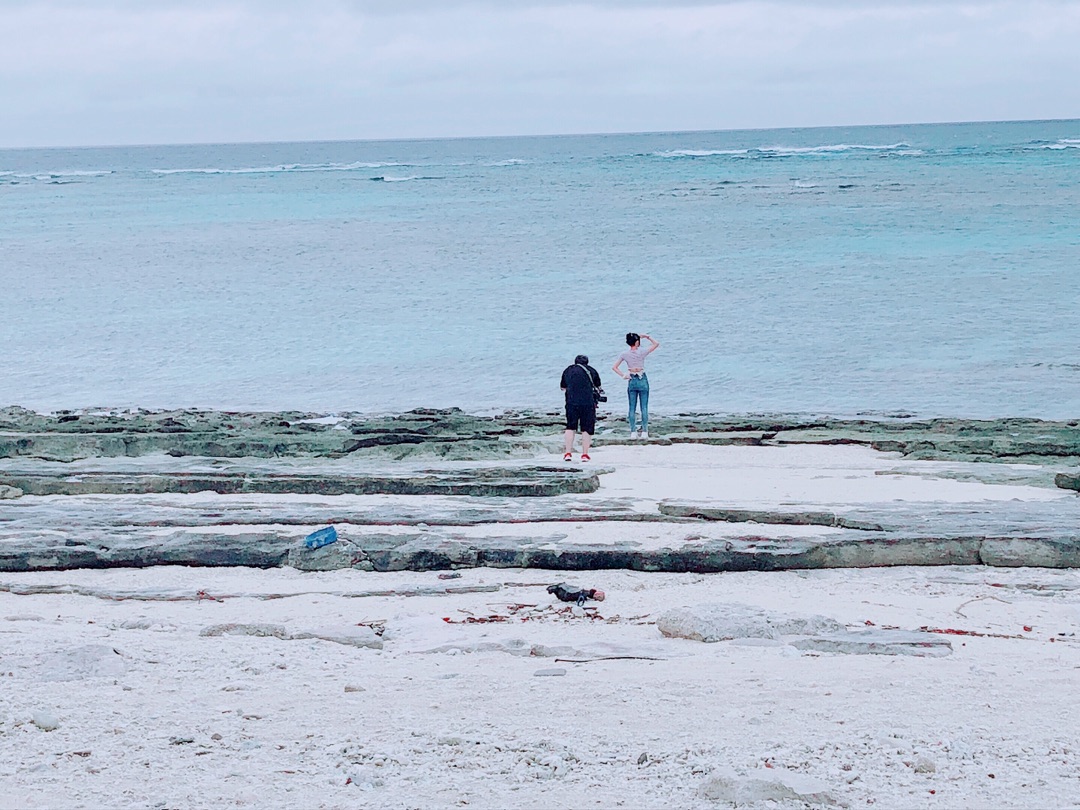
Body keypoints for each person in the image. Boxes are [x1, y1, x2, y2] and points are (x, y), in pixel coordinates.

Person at [612, 332, 659, 439]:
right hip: (642, 378)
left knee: (632, 407)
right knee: (644, 407)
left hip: (632, 378)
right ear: (637, 342)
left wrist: (623, 375)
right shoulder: (642, 352)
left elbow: (614, 367)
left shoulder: (624, 354)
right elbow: (656, 344)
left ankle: (633, 432)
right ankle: (644, 432)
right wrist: (647, 337)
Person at [560, 354, 602, 462]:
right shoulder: (592, 370)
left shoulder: (568, 370)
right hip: (587, 403)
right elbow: (598, 386)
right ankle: (585, 455)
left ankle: (568, 453)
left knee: (570, 427)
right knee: (586, 428)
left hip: (571, 402)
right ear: (587, 362)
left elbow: (563, 387)